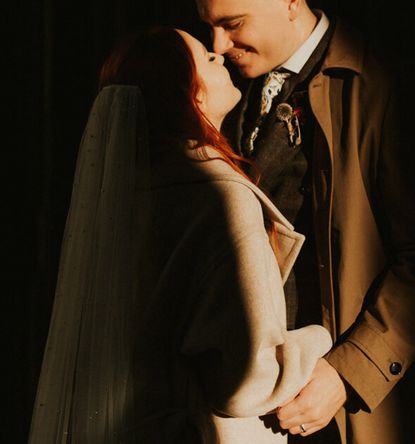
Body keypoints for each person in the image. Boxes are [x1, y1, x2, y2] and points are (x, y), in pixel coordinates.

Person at [192, 0, 415, 444]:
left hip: (342, 409)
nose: (218, 44)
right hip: (251, 408)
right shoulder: (230, 96)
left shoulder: (381, 88)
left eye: (232, 23)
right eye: (210, 26)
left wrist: (346, 373)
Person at [28, 26, 332, 443]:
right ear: (193, 95)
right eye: (207, 58)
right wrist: (320, 339)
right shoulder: (221, 198)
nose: (221, 55)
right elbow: (247, 381)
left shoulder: (124, 195)